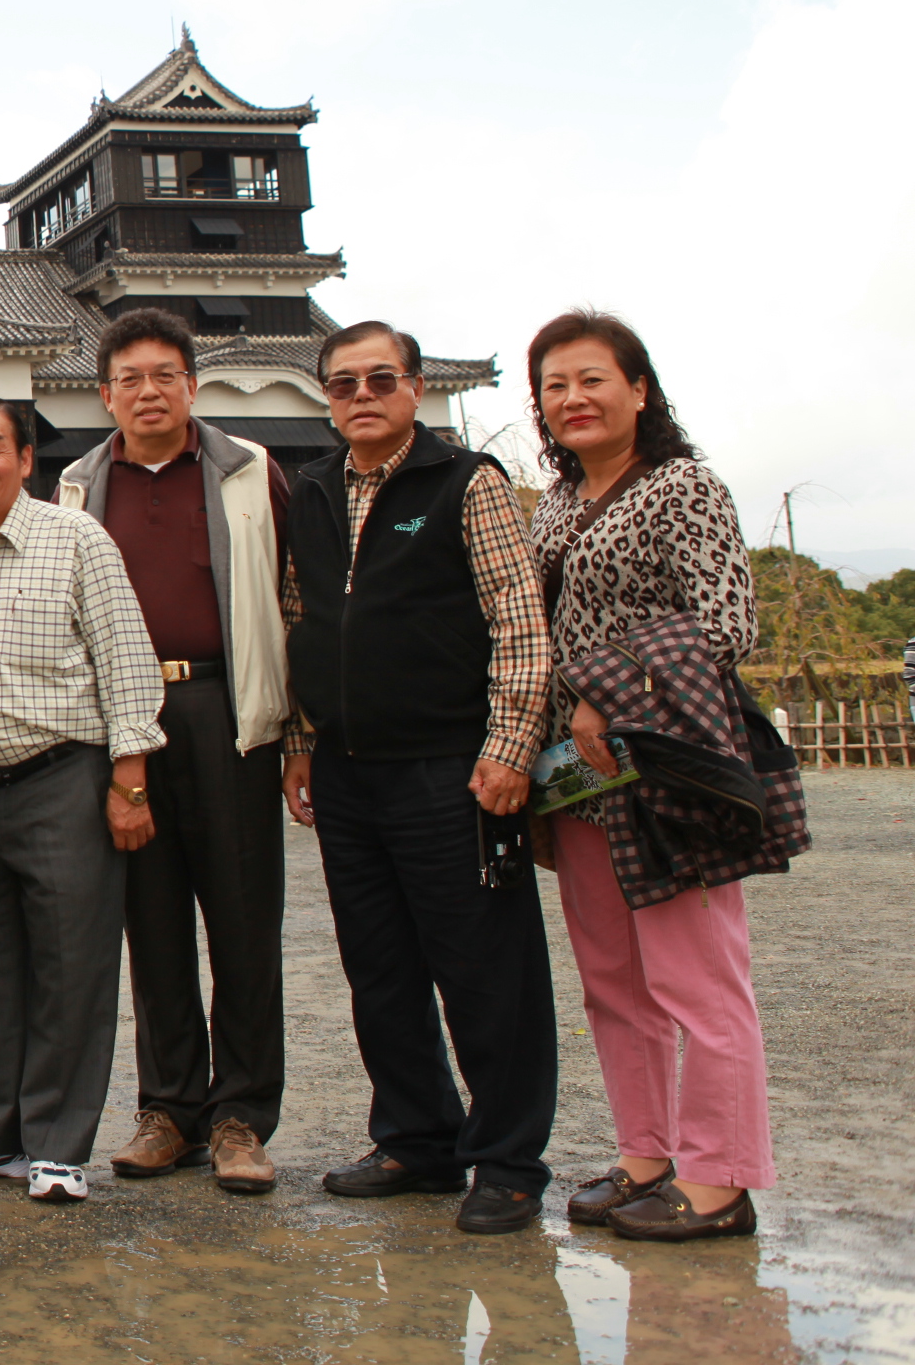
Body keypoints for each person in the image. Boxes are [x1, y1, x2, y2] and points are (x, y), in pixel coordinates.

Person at [282, 321, 555, 1235]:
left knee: (484, 970)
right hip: (347, 770)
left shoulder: (467, 482)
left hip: (452, 768)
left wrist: (510, 745)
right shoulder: (313, 490)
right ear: (326, 397)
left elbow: (517, 618)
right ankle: (417, 1137)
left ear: (414, 386)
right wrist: (299, 739)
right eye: (343, 384)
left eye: (380, 379)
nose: (362, 396)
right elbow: (298, 614)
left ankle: (508, 1161)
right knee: (380, 968)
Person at [528, 310, 773, 1241]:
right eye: (554, 386)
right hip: (580, 778)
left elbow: (727, 622)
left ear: (639, 389)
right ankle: (646, 1155)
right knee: (613, 979)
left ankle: (720, 1179)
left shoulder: (683, 487)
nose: (573, 399)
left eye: (592, 379)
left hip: (670, 764)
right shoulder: (555, 503)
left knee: (698, 980)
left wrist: (609, 689)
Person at [56, 308, 294, 1195]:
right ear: (105, 394)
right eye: (130, 379)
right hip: (127, 720)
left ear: (193, 385)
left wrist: (297, 734)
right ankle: (170, 1110)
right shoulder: (79, 486)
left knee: (242, 921)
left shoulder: (249, 471)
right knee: (150, 923)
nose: (148, 392)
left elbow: (293, 598)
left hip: (227, 710)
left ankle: (242, 1117)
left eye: (165, 376)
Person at [0, 393, 164, 1206]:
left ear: (26, 459)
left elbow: (126, 661)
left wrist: (129, 782)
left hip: (63, 777)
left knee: (71, 963)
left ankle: (57, 1143)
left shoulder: (76, 539)